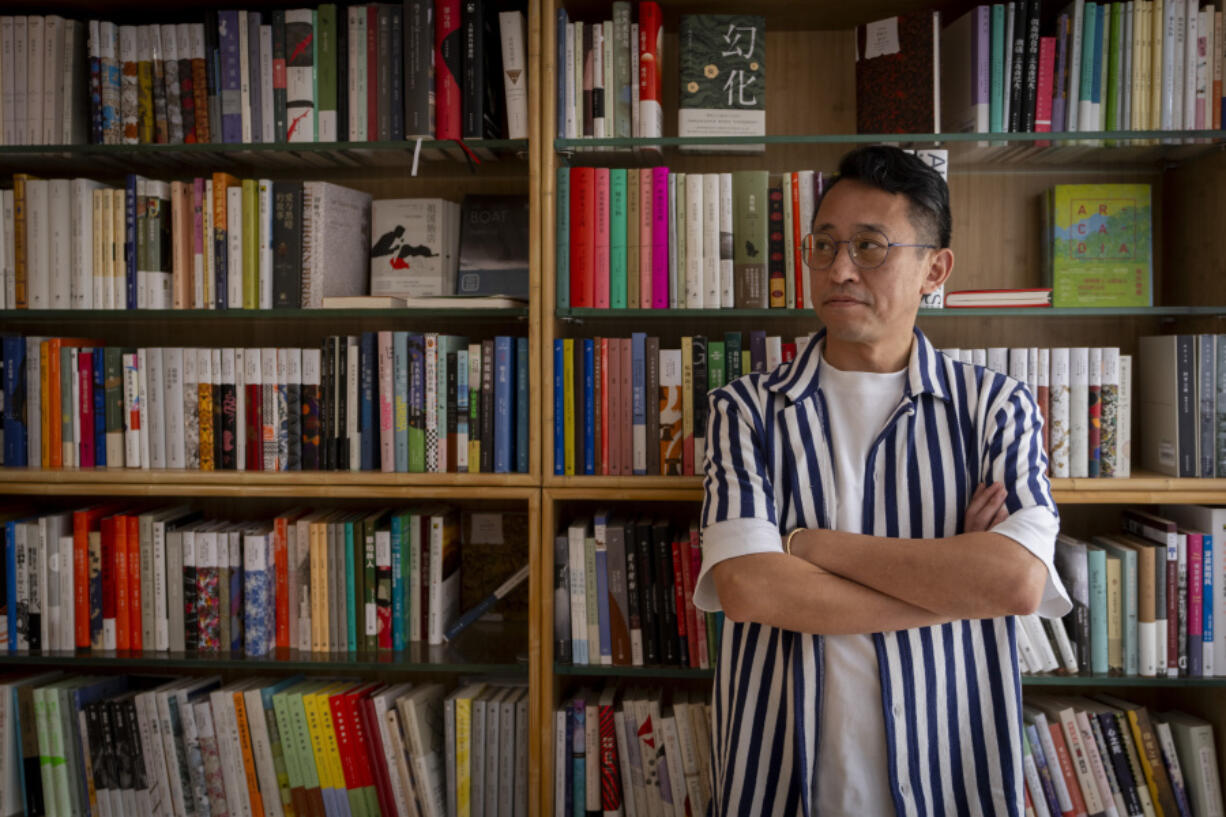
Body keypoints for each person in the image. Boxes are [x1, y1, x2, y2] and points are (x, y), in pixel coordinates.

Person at [693, 145, 1072, 816]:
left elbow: (1014, 583)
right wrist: (956, 584)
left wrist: (810, 546)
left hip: (952, 782)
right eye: (825, 244)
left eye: (871, 247)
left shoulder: (996, 409)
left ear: (935, 267)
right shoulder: (744, 409)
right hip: (780, 781)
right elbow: (749, 588)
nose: (840, 268)